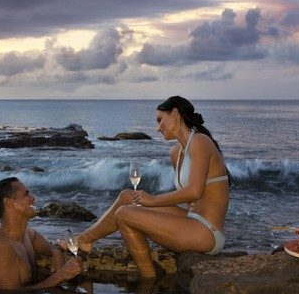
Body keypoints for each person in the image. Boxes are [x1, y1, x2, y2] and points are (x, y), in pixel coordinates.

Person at [73, 96, 230, 278]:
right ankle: (84, 240)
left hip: (208, 232)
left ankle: (148, 278)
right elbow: (190, 198)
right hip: (192, 219)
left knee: (124, 213)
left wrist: (152, 200)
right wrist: (155, 207)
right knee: (127, 196)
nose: (157, 128)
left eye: (160, 120)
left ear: (175, 114)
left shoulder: (200, 142)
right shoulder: (176, 152)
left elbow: (195, 191)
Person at [0, 177, 83, 290]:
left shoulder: (24, 233)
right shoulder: (0, 247)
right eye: (26, 194)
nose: (33, 198)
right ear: (9, 203)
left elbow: (49, 247)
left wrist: (55, 252)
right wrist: (62, 275)